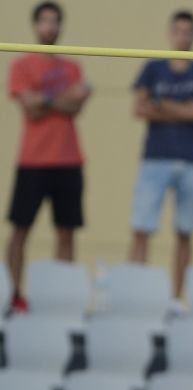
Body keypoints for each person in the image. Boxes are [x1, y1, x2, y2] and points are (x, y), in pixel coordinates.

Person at [6, 1, 91, 314]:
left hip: (69, 161)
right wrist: (62, 99)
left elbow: (76, 106)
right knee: (20, 230)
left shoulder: (73, 67)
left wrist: (46, 100)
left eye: (55, 21)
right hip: (33, 160)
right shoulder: (21, 65)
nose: (50, 27)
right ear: (35, 25)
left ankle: (62, 298)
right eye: (45, 21)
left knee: (66, 231)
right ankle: (14, 295)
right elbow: (31, 107)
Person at [128, 10, 193, 313]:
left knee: (185, 232)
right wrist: (182, 109)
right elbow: (139, 109)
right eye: (178, 30)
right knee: (142, 228)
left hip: (191, 160)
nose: (183, 36)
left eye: (188, 31)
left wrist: (162, 105)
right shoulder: (153, 68)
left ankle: (176, 298)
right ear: (170, 33)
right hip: (156, 157)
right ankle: (134, 292)